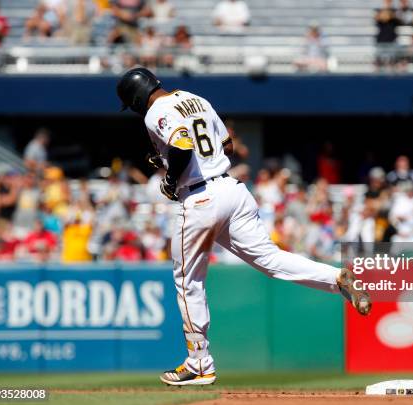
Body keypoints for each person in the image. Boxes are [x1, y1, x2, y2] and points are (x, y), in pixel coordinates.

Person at [116, 67, 371, 386]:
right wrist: (176, 159)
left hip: (199, 198)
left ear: (136, 97)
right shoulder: (195, 99)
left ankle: (199, 362)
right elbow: (227, 146)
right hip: (232, 190)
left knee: (188, 280)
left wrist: (170, 177)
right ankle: (335, 277)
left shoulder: (155, 111)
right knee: (270, 258)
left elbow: (181, 146)